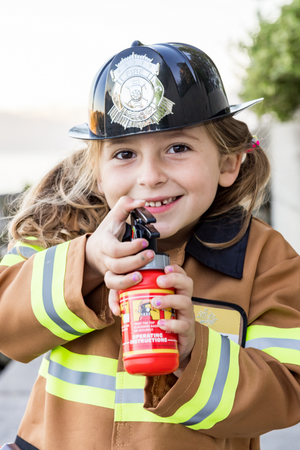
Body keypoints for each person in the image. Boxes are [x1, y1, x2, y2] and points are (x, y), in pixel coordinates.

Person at [0, 41, 300, 450]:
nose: (151, 175)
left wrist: (197, 353)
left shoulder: (265, 259)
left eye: (178, 148)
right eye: (124, 154)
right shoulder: (63, 232)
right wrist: (86, 265)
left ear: (228, 162)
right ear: (98, 173)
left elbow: (288, 391)